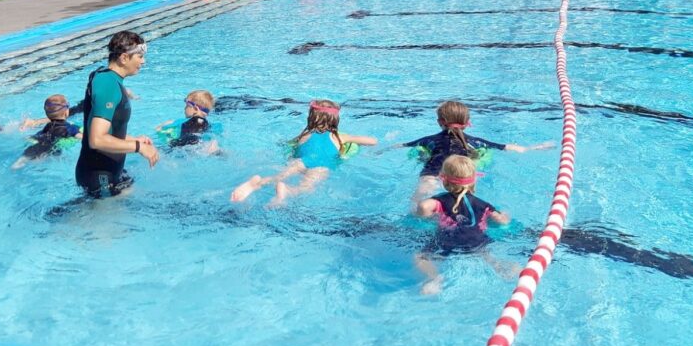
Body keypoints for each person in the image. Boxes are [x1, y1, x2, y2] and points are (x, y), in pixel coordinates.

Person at [400, 100, 553, 204]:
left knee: (418, 207)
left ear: (440, 122)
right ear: (467, 124)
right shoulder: (476, 142)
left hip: (431, 175)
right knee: (466, 205)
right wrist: (533, 148)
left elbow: (402, 145)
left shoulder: (429, 140)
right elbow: (509, 148)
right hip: (462, 176)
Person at [231, 99, 377, 205]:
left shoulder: (303, 135)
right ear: (334, 120)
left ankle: (257, 182)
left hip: (300, 161)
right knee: (305, 188)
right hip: (320, 166)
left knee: (279, 176)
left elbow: (288, 146)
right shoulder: (339, 136)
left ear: (311, 118)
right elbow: (372, 141)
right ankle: (286, 191)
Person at [74, 30, 158, 197]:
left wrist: (133, 138)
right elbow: (97, 139)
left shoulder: (107, 79)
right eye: (139, 57)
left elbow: (106, 130)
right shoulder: (108, 84)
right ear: (124, 58)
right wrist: (138, 147)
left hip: (109, 171)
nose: (143, 61)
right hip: (99, 176)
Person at [413, 154, 511, 294]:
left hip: (447, 241)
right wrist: (506, 215)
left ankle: (434, 279)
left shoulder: (440, 201)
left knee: (420, 257)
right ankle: (503, 268)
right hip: (477, 241)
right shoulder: (483, 204)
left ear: (444, 181)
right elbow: (502, 221)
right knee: (488, 256)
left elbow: (423, 207)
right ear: (474, 181)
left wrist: (422, 213)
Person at [13, 94, 82, 168]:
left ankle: (21, 161)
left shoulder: (48, 125)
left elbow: (41, 134)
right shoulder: (69, 127)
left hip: (40, 140)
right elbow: (79, 136)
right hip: (52, 147)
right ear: (66, 112)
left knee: (32, 151)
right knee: (54, 153)